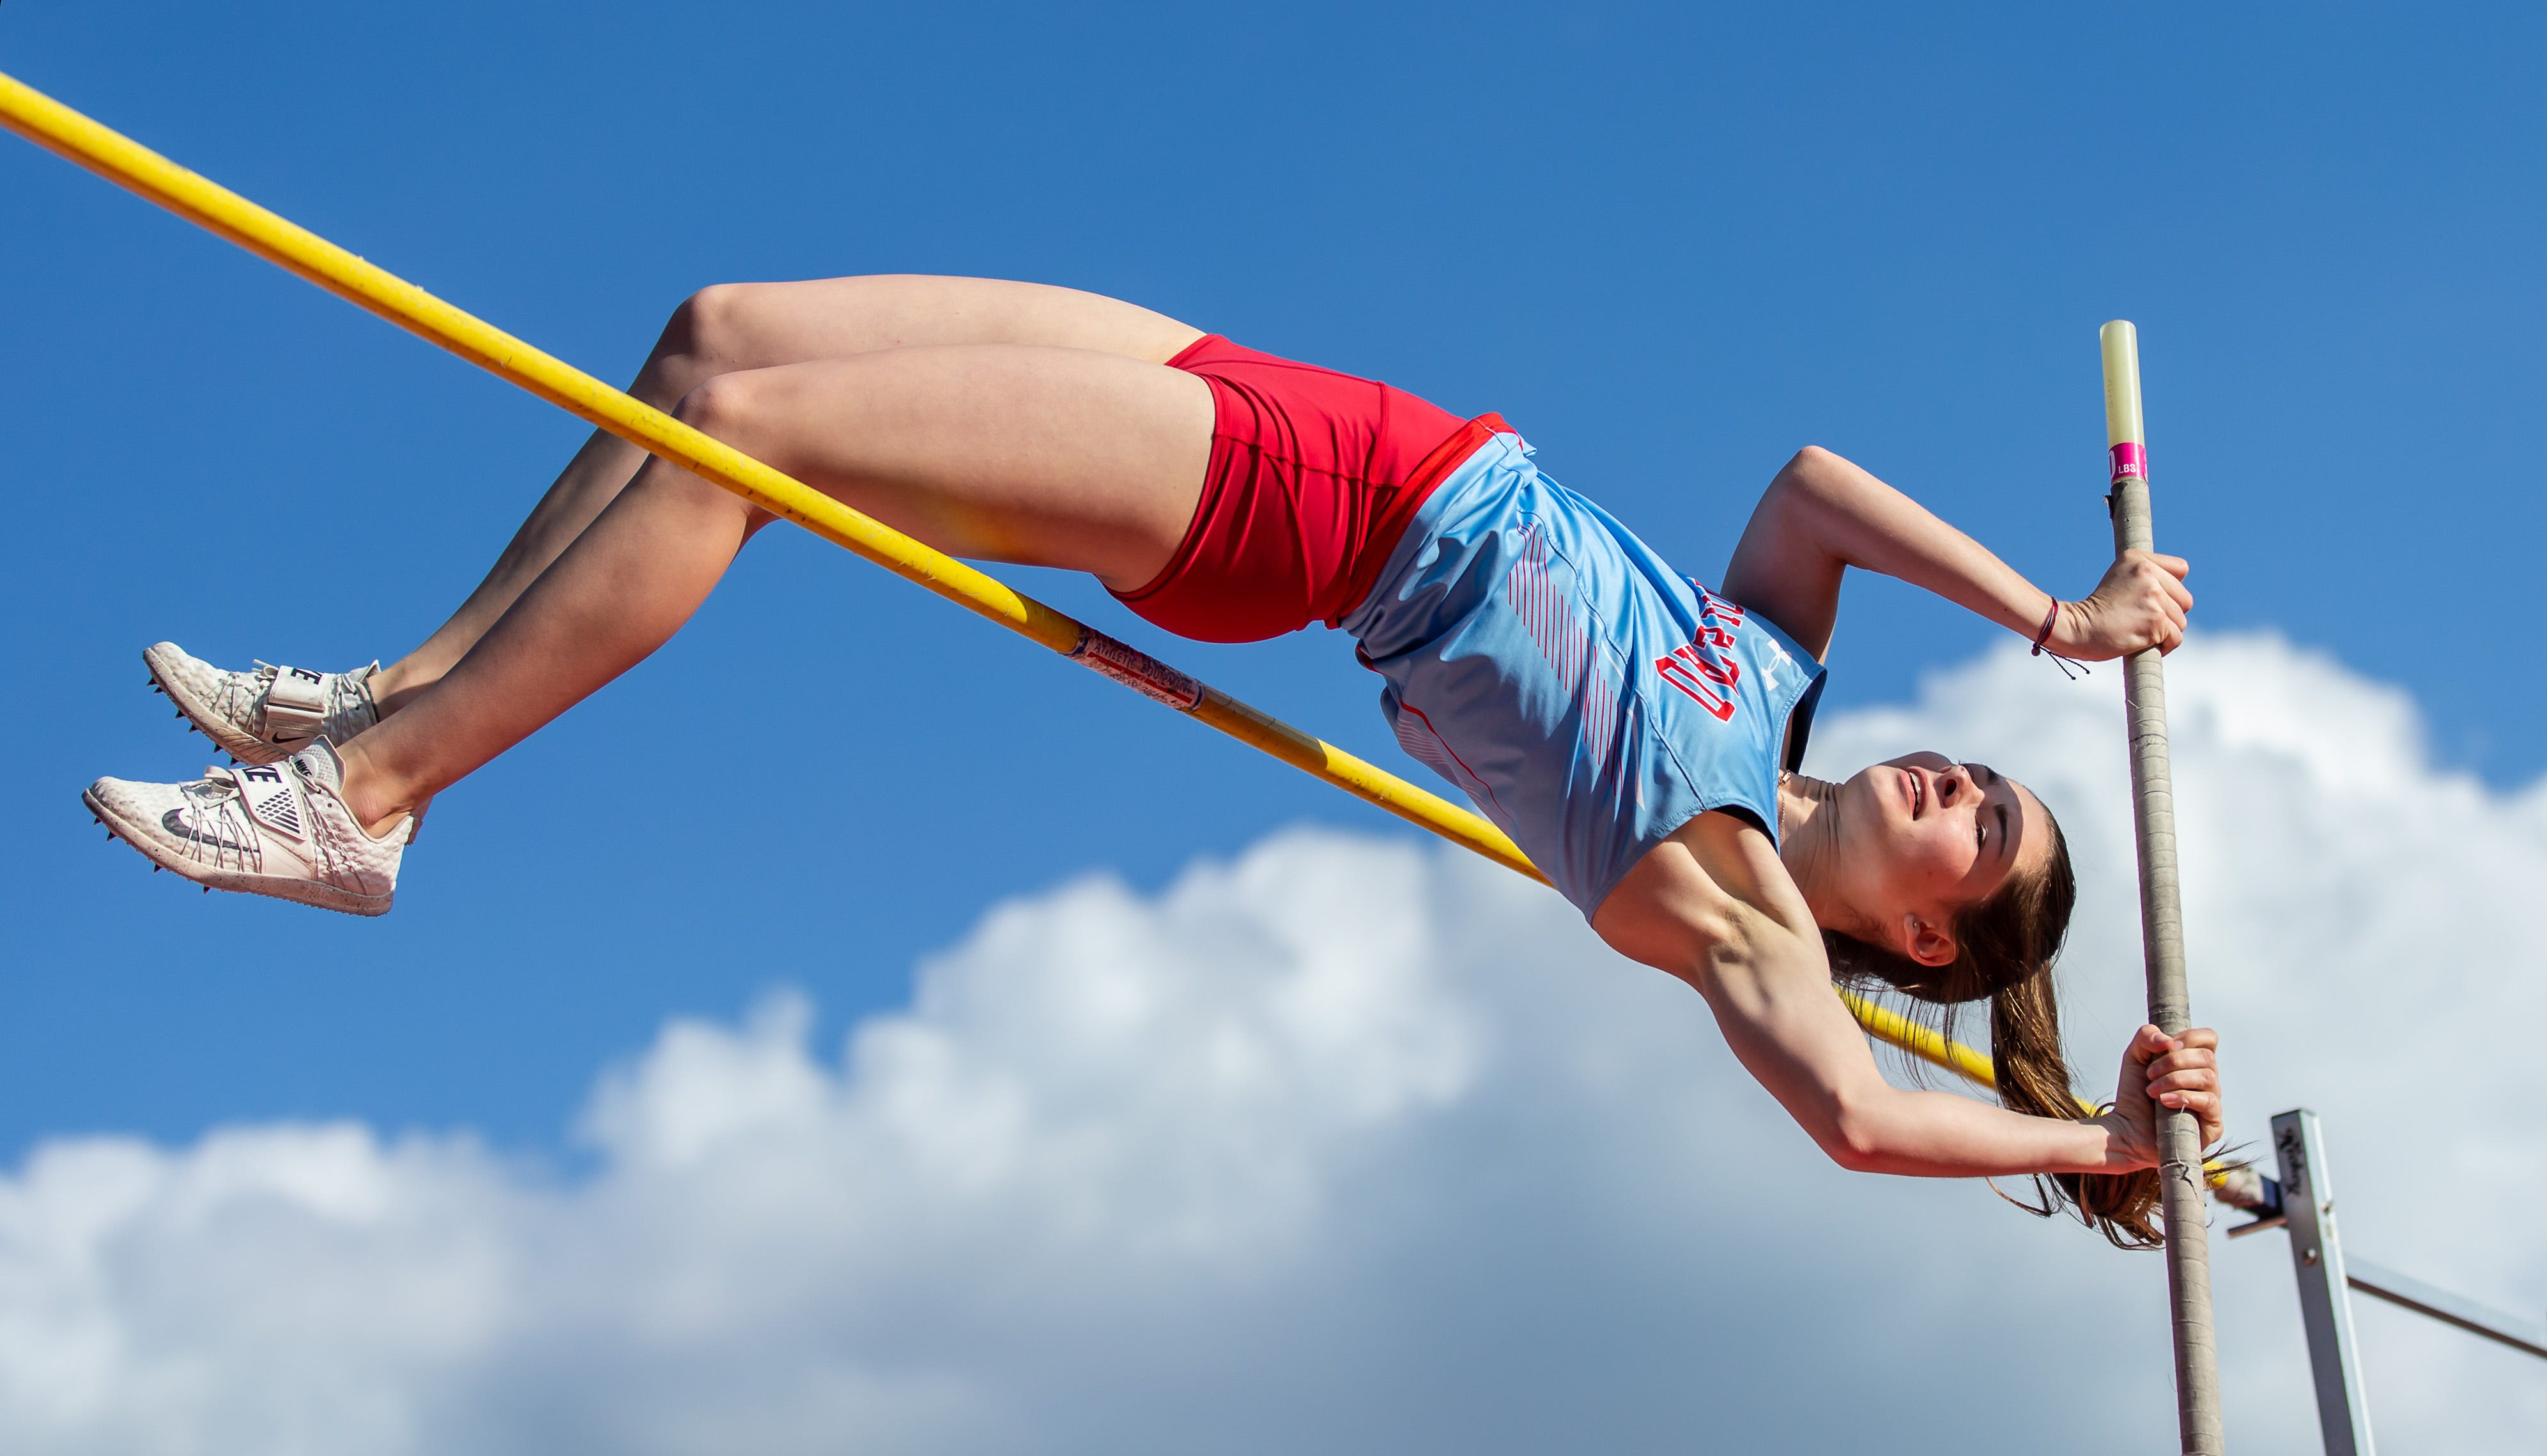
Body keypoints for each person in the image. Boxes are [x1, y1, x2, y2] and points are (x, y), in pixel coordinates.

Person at [84, 276, 2220, 1245]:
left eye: (1981, 830)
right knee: (717, 341)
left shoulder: (1740, 900)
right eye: (1983, 771)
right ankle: (387, 702)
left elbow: (1849, 1120)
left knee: (748, 453)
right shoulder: (1768, 677)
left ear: (1924, 936)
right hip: (1339, 418)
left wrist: (2094, 1149)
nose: (1958, 783)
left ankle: (368, 810)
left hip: (1311, 520)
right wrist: (2051, 618)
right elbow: (1814, 482)